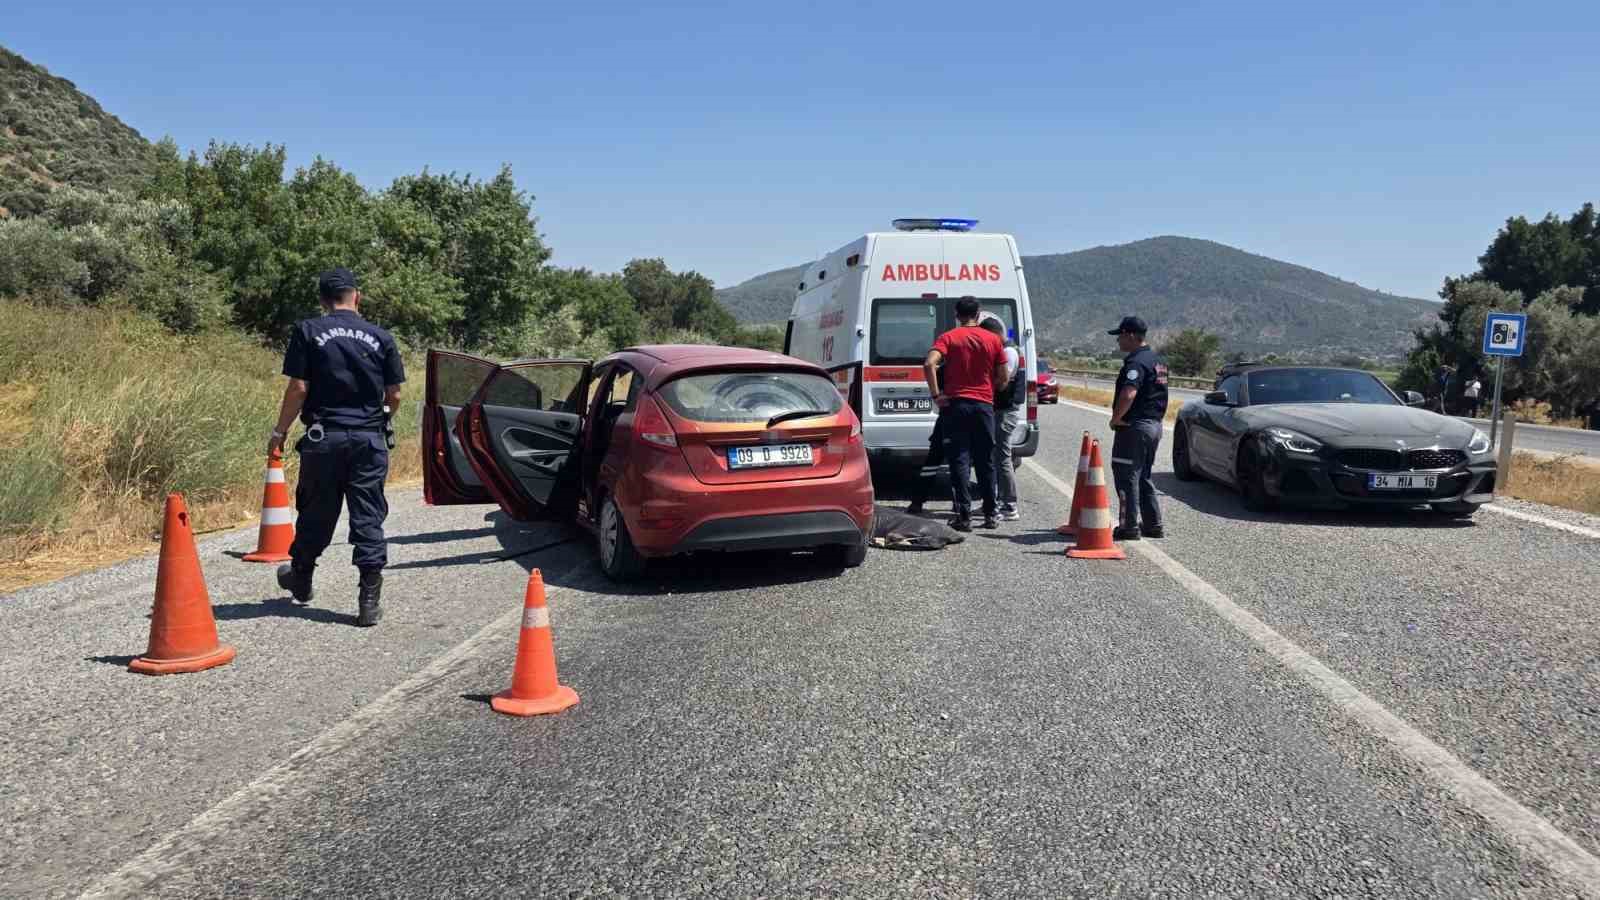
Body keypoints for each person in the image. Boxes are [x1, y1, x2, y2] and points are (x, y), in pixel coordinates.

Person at [269, 268, 405, 627]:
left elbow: (299, 387)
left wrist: (280, 431)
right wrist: (382, 418)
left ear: (323, 300)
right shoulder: (381, 337)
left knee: (316, 512)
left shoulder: (309, 331)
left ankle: (301, 576)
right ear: (356, 296)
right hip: (368, 440)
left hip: (324, 438)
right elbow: (394, 395)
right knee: (368, 515)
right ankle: (369, 600)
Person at [924, 297, 1008, 531]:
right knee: (986, 460)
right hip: (983, 406)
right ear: (978, 313)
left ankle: (963, 516)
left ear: (956, 314)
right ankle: (991, 514)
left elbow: (929, 364)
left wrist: (936, 395)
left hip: (956, 406)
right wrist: (994, 386)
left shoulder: (949, 337)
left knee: (959, 460)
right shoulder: (993, 340)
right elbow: (1003, 378)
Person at [1106, 316, 1168, 540]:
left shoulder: (1136, 363)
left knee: (1126, 476)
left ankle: (1128, 526)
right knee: (1143, 476)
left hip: (1134, 427)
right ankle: (1153, 524)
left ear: (1131, 335)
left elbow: (1129, 393)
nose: (1118, 341)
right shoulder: (1156, 360)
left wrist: (1116, 418)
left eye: (1120, 336)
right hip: (1153, 426)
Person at [978, 313, 1026, 521]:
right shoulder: (1006, 349)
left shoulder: (1008, 352)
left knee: (1002, 457)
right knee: (994, 456)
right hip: (1000, 410)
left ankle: (1009, 504)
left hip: (1005, 411)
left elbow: (1001, 381)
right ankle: (993, 502)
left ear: (995, 334)